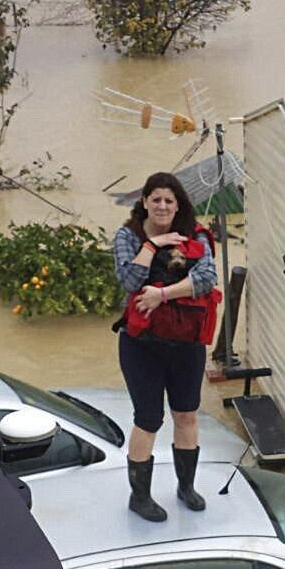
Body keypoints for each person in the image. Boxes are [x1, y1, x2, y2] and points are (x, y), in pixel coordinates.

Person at [113, 172, 218, 522]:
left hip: (187, 343)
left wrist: (162, 295)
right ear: (143, 202)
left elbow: (206, 279)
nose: (161, 206)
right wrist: (152, 246)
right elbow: (129, 279)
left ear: (178, 205)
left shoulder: (197, 235)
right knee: (148, 420)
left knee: (186, 415)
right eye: (155, 199)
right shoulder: (128, 236)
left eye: (168, 201)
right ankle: (139, 497)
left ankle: (185, 487)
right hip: (141, 345)